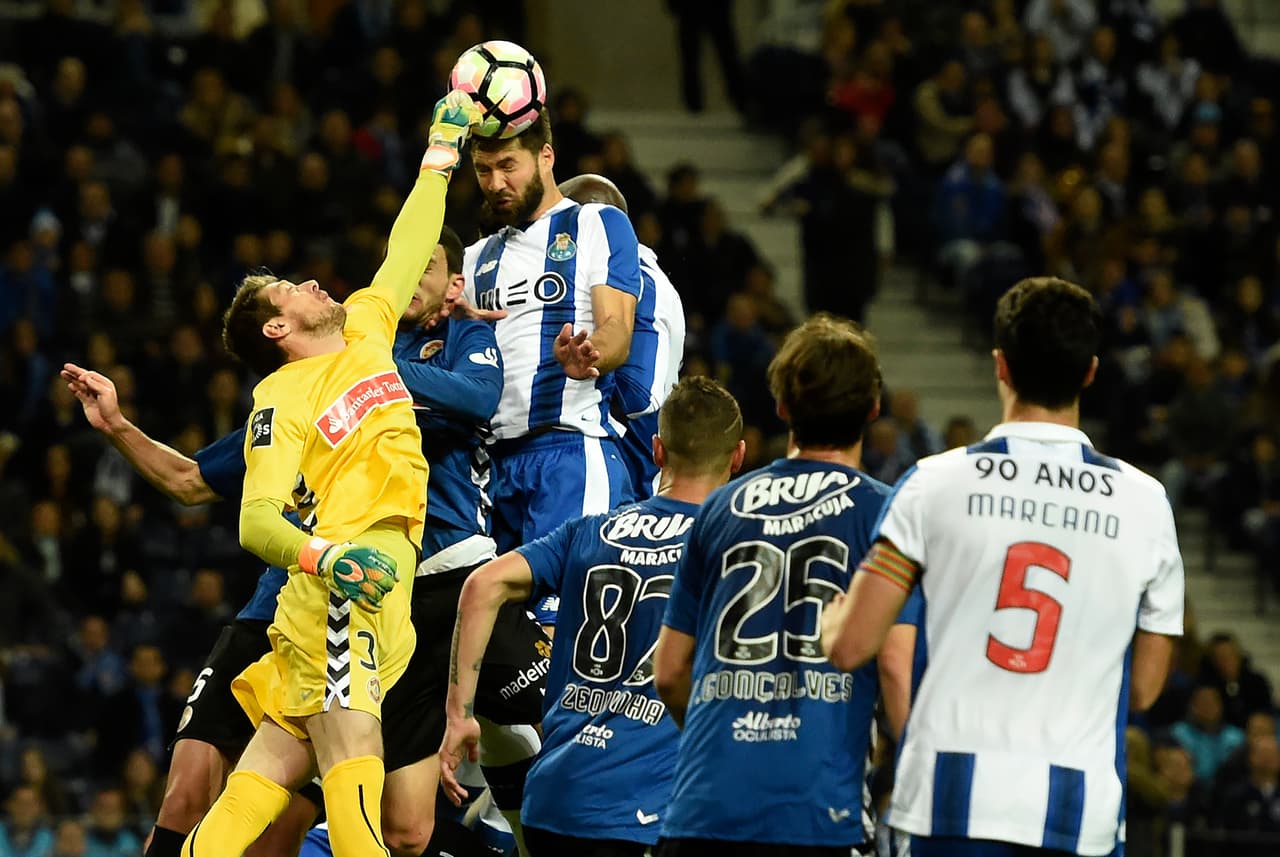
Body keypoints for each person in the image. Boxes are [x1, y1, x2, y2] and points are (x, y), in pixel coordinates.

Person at [62, 222, 548, 857]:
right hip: (326, 590)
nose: (414, 278)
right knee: (248, 783)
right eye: (410, 266)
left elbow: (480, 398)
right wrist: (120, 427)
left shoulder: (436, 346)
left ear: (455, 283)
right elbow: (192, 483)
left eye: (433, 268)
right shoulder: (301, 386)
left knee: (405, 811)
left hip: (427, 588)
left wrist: (374, 367)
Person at [175, 92, 479, 857]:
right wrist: (331, 557)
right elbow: (255, 519)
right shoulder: (278, 397)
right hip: (344, 586)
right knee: (353, 775)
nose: (314, 283)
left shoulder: (369, 330)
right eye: (290, 290)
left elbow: (408, 242)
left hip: (386, 592)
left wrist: (442, 146)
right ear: (276, 330)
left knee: (263, 773)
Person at [822, 277, 1185, 857]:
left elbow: (851, 646)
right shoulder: (1146, 503)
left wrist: (831, 621)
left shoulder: (931, 484)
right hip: (1080, 813)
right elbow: (1143, 689)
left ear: (1001, 366)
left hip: (950, 804)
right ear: (1090, 372)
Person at [439, 377, 746, 857]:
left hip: (555, 804)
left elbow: (482, 586)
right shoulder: (730, 549)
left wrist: (460, 715)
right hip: (648, 814)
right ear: (738, 457)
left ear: (659, 451)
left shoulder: (591, 531)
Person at [652, 314, 918, 856]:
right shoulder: (887, 515)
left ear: (780, 408)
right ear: (872, 410)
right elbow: (895, 664)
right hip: (817, 812)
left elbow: (670, 672)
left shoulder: (720, 508)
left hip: (703, 808)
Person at [463, 110, 643, 566]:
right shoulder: (473, 259)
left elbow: (619, 328)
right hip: (491, 469)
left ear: (545, 156)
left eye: (508, 166)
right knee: (505, 628)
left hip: (570, 454)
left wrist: (590, 352)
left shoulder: (595, 224)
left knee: (564, 622)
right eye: (484, 170)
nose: (495, 183)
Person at [559, 173, 686, 501]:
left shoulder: (645, 282)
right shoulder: (593, 279)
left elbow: (640, 397)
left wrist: (580, 358)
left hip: (632, 475)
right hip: (583, 466)